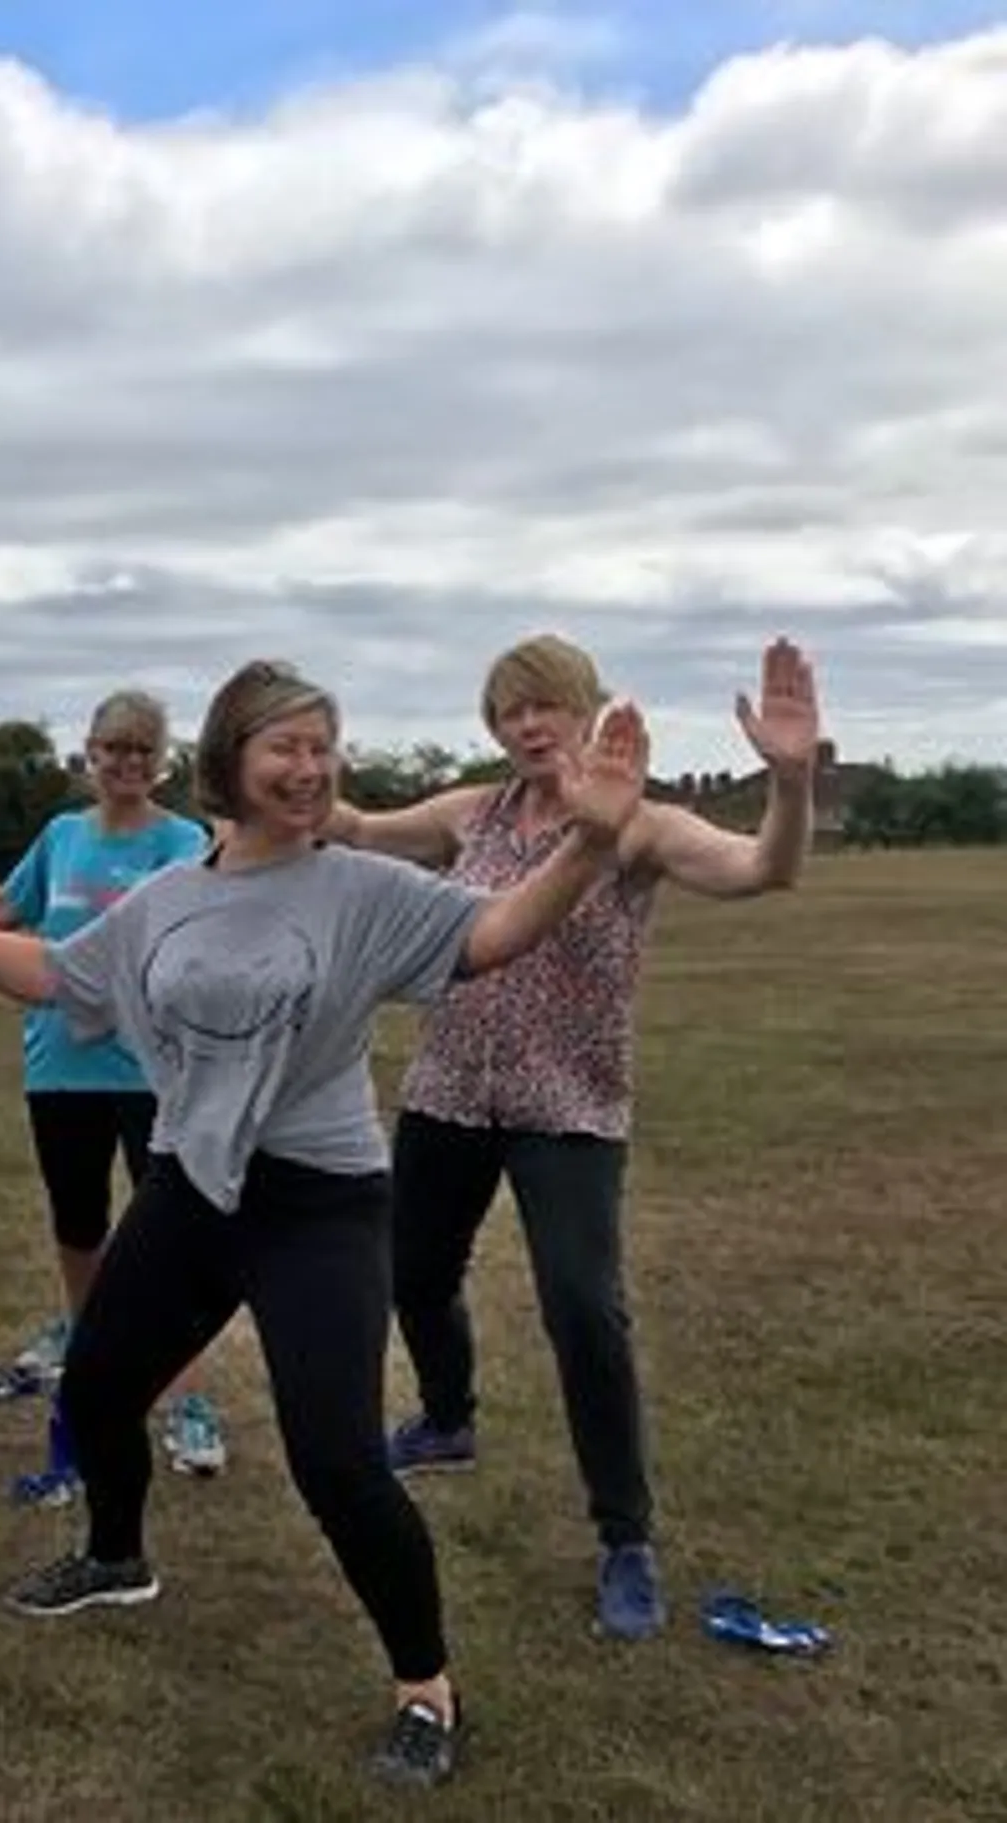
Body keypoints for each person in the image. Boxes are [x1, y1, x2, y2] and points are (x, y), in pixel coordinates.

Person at [0, 659, 656, 1789]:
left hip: (319, 1201)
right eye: (285, 744)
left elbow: (493, 933)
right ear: (229, 758)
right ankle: (116, 1553)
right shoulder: (172, 894)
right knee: (93, 1387)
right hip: (192, 1183)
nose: (309, 764)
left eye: (321, 743)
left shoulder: (357, 888)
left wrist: (585, 843)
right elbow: (56, 973)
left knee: (335, 1460)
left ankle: (424, 1688)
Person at [328, 633, 820, 1644]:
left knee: (582, 1310)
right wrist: (274, 755)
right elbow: (358, 827)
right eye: (508, 711)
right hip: (449, 1090)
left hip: (569, 1106)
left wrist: (788, 782)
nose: (526, 723)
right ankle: (447, 1416)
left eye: (544, 703)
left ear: (588, 710)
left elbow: (763, 869)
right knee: (410, 1274)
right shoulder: (472, 813)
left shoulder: (638, 828)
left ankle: (623, 1536)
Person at [0, 690, 229, 1479]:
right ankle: (91, 1349)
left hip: (151, 1070)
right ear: (92, 754)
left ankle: (189, 1401)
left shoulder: (185, 840)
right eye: (114, 749)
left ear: (161, 760)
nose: (127, 764)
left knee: (171, 1243)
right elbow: (4, 909)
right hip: (60, 1066)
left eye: (143, 751)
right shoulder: (63, 835)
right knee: (79, 1227)